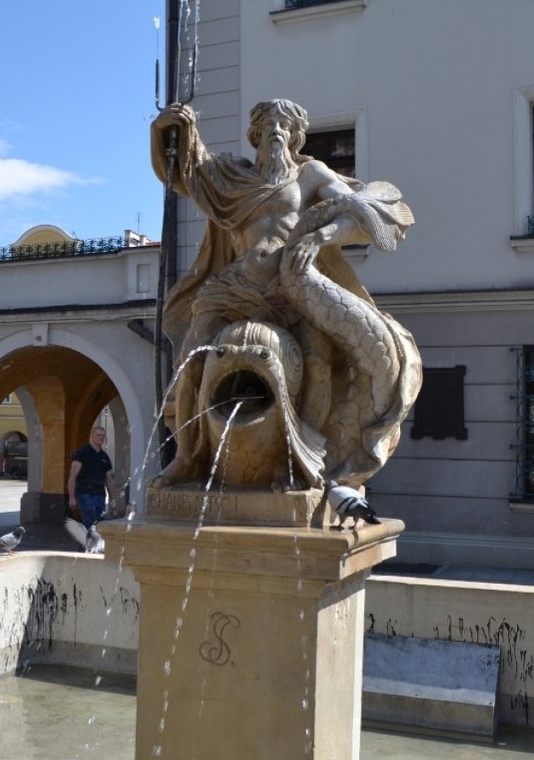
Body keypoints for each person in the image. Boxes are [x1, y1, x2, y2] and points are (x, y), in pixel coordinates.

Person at [150, 98, 420, 487]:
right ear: (255, 135)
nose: (276, 130)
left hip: (291, 288)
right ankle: (186, 458)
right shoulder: (232, 177)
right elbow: (184, 169)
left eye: (285, 125)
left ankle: (302, 468)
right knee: (190, 362)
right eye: (269, 124)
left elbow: (360, 210)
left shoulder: (310, 174)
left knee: (316, 364)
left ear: (295, 136)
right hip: (235, 287)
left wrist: (324, 234)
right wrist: (167, 130)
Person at [68, 426, 116, 529]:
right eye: (99, 435)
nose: (101, 438)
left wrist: (113, 500)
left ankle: (89, 544)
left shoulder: (104, 457)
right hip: (85, 493)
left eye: (103, 436)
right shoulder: (81, 453)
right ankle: (88, 544)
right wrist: (72, 497)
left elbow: (109, 479)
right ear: (92, 436)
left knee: (99, 524)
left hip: (100, 494)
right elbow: (73, 476)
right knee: (90, 522)